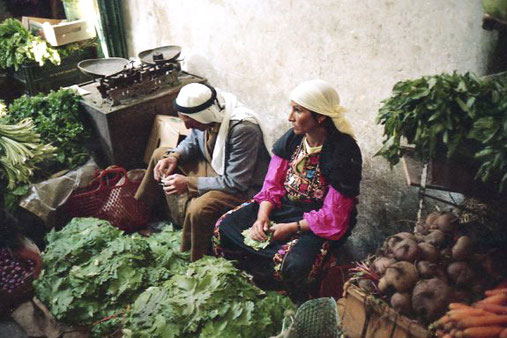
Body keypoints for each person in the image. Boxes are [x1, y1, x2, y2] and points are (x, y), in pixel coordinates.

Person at [213, 79, 362, 300]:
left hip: (317, 220)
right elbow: (272, 185)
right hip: (284, 206)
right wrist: (262, 216)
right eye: (291, 108)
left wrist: (292, 228)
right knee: (224, 227)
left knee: (294, 264)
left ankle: (288, 299)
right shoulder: (293, 138)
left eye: (298, 110)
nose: (290, 117)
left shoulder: (342, 151)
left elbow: (335, 214)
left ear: (320, 117)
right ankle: (248, 284)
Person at [135, 83, 270, 261]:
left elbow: (236, 182)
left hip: (243, 187)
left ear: (205, 116)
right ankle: (143, 214)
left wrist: (188, 183)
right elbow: (192, 141)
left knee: (200, 208)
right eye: (183, 120)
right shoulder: (205, 119)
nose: (187, 126)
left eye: (190, 122)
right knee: (160, 156)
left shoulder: (243, 129)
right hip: (215, 166)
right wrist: (174, 156)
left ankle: (194, 257)